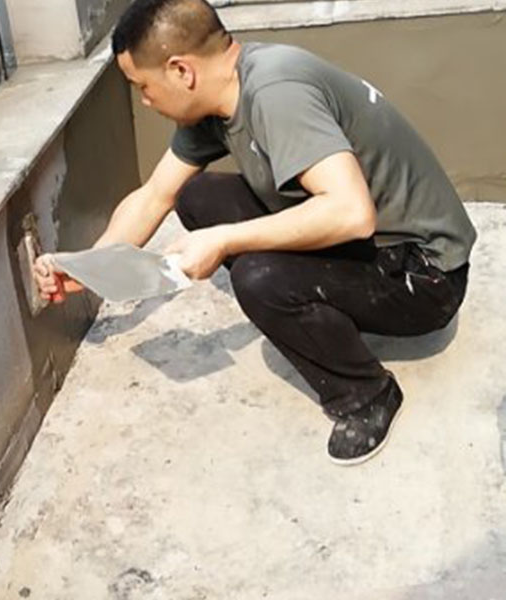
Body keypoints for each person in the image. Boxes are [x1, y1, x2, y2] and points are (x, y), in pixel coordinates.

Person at [33, 0, 476, 466]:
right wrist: (89, 267)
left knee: (259, 279)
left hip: (425, 276)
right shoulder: (221, 95)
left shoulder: (274, 92)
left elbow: (351, 213)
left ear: (181, 71)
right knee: (197, 196)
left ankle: (366, 395)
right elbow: (154, 196)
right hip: (374, 245)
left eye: (143, 86)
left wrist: (225, 239)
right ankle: (317, 312)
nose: (145, 101)